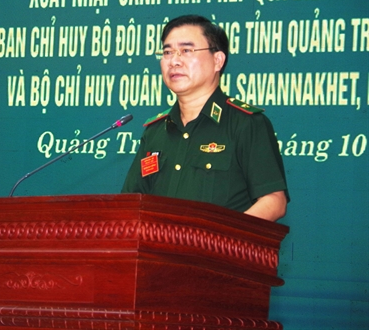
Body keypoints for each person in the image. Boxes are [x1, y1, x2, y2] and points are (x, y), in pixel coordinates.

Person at [121, 15, 288, 222]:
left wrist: (222, 237)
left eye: (186, 51)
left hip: (221, 243)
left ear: (218, 60)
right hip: (159, 244)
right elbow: (130, 203)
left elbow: (274, 201)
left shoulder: (246, 124)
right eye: (167, 52)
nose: (174, 61)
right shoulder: (155, 131)